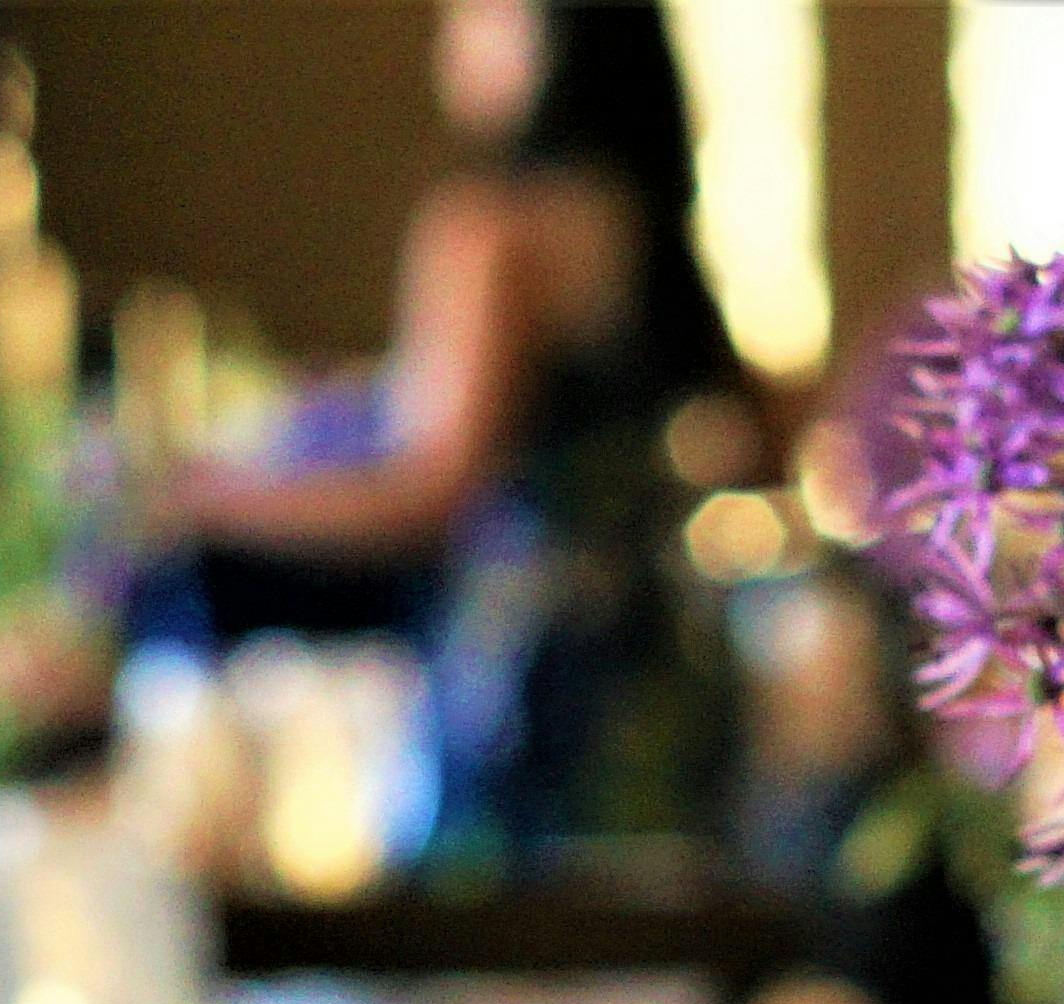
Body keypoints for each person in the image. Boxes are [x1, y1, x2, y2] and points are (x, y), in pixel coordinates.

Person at [168, 0, 753, 867]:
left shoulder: (489, 229)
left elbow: (434, 486)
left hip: (524, 688)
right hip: (669, 673)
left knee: (501, 961)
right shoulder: (640, 227)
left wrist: (195, 496)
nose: (450, 35)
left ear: (560, 36)